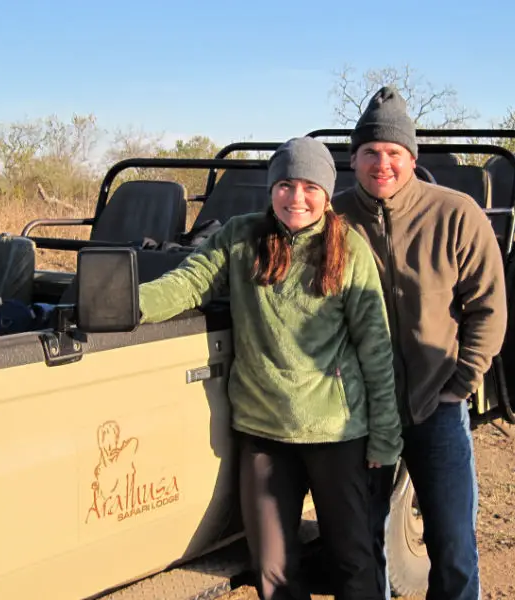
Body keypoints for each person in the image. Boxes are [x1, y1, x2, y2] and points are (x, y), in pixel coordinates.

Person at [138, 137, 402, 600]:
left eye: (308, 187)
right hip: (264, 433)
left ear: (325, 192)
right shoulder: (241, 237)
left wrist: (384, 437)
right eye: (284, 184)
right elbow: (188, 282)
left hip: (336, 432)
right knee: (273, 571)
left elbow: (376, 349)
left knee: (352, 560)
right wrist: (124, 302)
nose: (295, 198)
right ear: (270, 188)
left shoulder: (349, 250)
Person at [331, 86, 508, 600]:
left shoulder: (455, 214)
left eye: (392, 153)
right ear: (354, 158)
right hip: (361, 415)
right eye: (369, 153)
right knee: (360, 549)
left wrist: (462, 381)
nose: (380, 164)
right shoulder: (334, 221)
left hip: (437, 407)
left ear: (412, 157)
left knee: (453, 549)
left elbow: (488, 306)